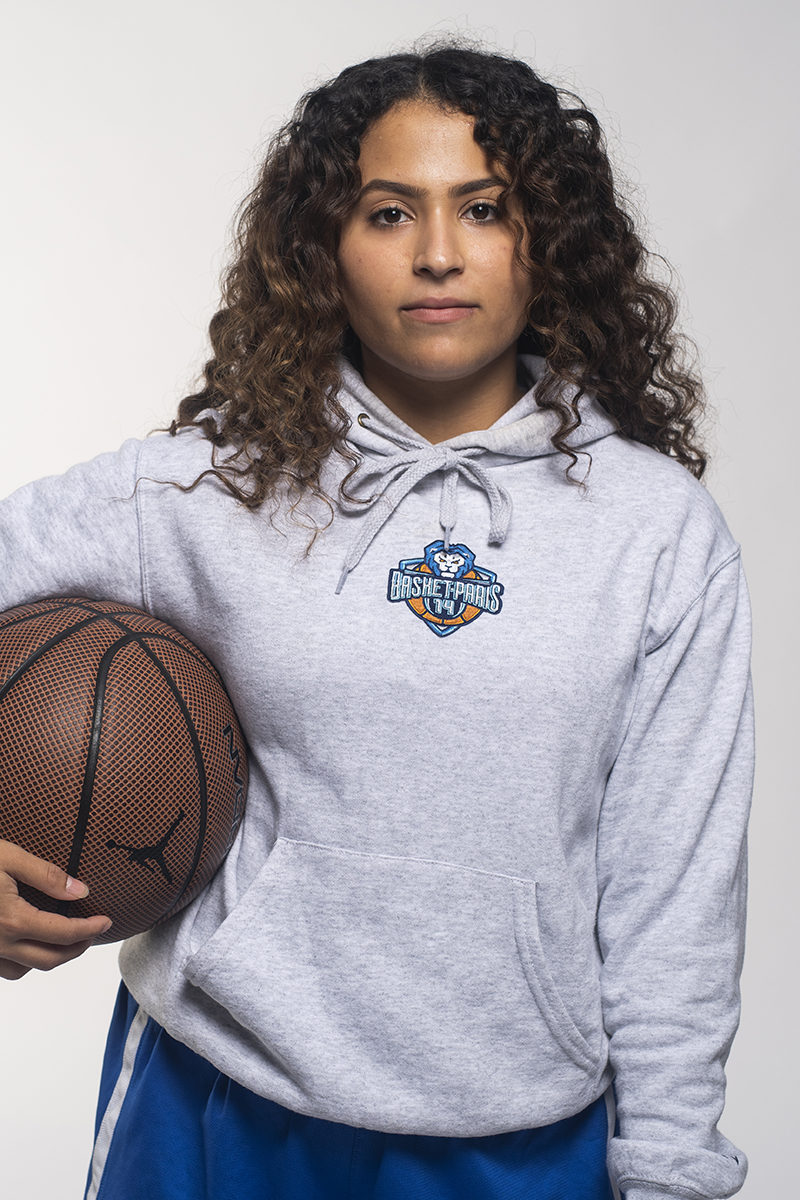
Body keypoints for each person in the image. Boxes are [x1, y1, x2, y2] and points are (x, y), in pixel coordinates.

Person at [0, 39, 754, 1200]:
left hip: (522, 1133)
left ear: (550, 242)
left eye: (484, 209)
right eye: (388, 212)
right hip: (217, 1097)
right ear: (323, 249)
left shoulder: (652, 532)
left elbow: (675, 894)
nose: (438, 253)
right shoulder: (210, 489)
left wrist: (671, 1172)